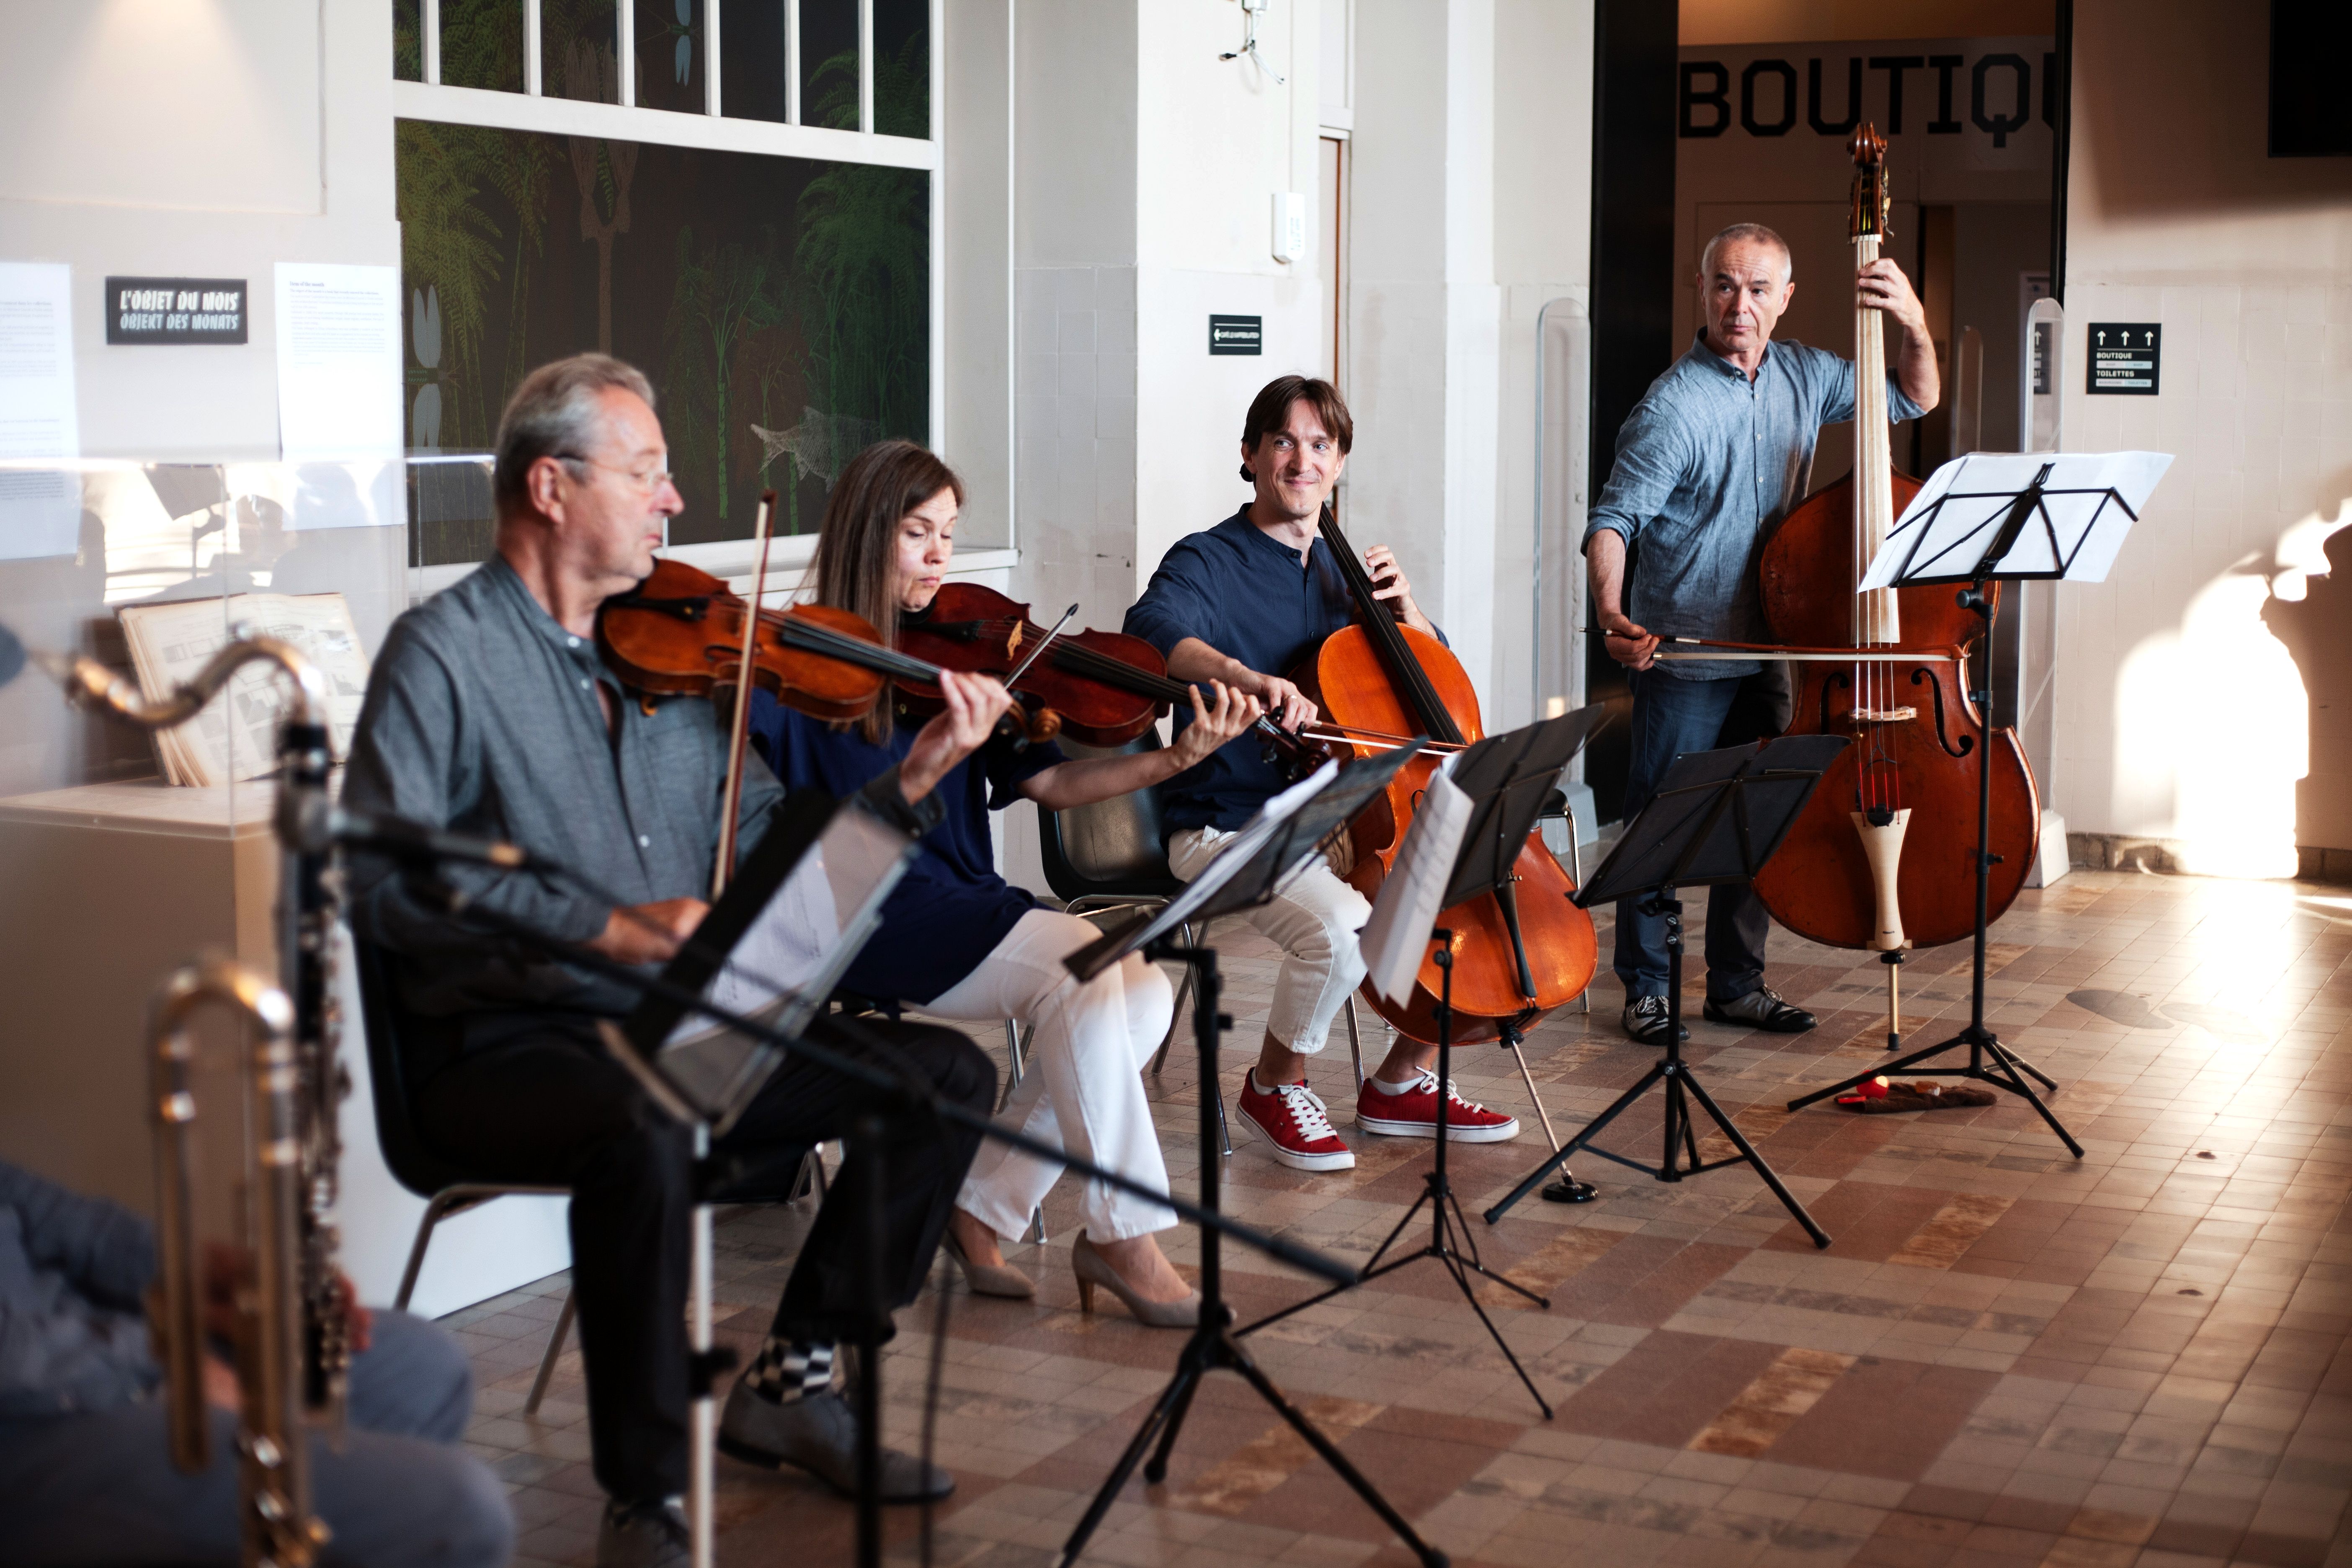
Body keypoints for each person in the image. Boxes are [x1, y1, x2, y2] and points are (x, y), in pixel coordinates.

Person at [343, 354, 1006, 1567]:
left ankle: (797, 1380)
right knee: (646, 1125)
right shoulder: (440, 659)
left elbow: (767, 851)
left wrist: (913, 783)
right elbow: (385, 882)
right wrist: (604, 926)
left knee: (944, 1079)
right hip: (503, 1044)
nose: (674, 502)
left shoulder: (676, 660)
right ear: (551, 488)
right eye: (647, 472)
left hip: (675, 1031)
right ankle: (646, 1496)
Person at [748, 440, 1264, 1326]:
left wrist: (1174, 759)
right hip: (867, 918)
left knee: (1132, 998)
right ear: (869, 533)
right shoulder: (796, 669)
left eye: (949, 534)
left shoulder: (959, 663)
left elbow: (1053, 784)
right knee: (1094, 975)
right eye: (919, 534)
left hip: (963, 902)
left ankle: (981, 1204)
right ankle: (1122, 1235)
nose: (941, 557)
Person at [1122, 375, 1523, 1173]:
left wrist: (1408, 612)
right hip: (1228, 819)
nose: (1301, 460)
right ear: (1250, 455)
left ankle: (1399, 1081)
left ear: (1339, 462)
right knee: (1340, 934)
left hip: (1343, 816)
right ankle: (1274, 1084)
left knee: (1477, 884)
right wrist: (1244, 675)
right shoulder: (1208, 558)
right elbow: (1152, 631)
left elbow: (1431, 678)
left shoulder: (1350, 575)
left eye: (1320, 444)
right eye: (1283, 442)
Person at [1584, 222, 1939, 1045]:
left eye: (1755, 289)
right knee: (1660, 821)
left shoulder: (1808, 376)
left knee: (1760, 817)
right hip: (1687, 650)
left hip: (1774, 645)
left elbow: (1915, 397)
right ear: (1701, 290)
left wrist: (1914, 321)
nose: (1737, 305)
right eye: (1723, 286)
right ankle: (1647, 987)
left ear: (1785, 298)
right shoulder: (1671, 407)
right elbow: (1613, 521)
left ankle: (1737, 984)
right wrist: (1610, 611)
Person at [0, 1158, 512, 1567]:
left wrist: (207, 1272)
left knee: (419, 1366)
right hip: (33, 1413)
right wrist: (158, 1360)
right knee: (457, 1510)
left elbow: (45, 1214)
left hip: (77, 1340)